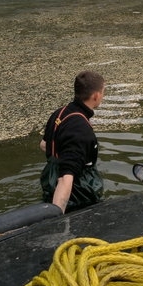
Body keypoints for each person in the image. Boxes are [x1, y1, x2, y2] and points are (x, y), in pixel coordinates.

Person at [39, 71, 105, 213]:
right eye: (103, 92)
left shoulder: (60, 113)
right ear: (96, 95)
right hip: (76, 198)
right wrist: (58, 221)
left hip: (50, 186)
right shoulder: (81, 130)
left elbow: (44, 144)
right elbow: (65, 179)